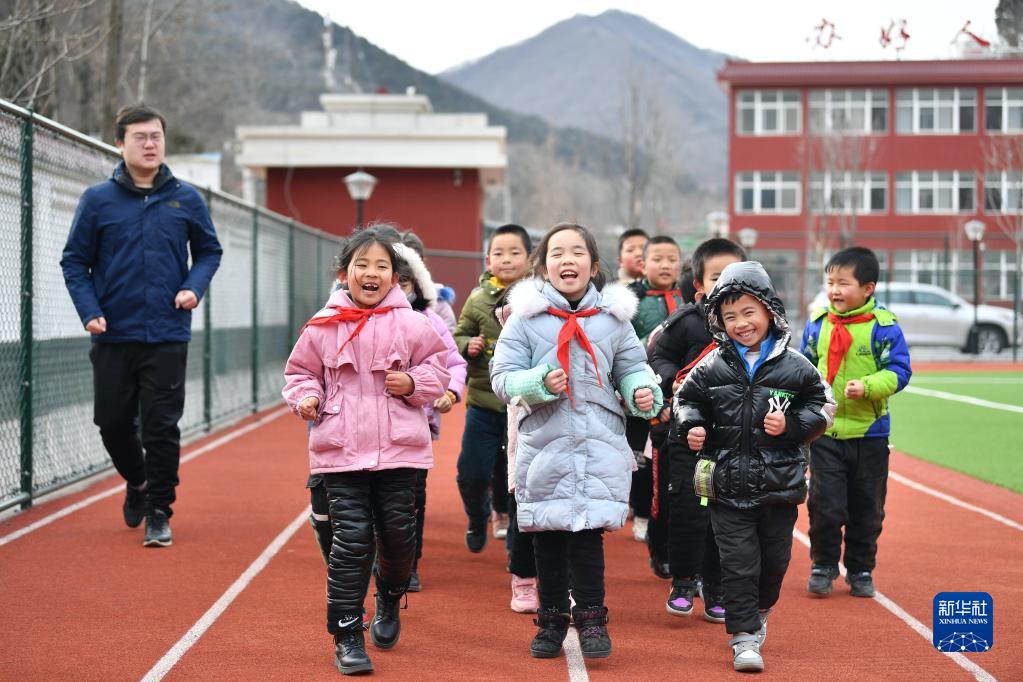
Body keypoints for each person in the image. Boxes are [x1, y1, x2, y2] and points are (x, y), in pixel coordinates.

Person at [283, 226, 450, 675]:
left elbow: (439, 370)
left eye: (381, 266)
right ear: (344, 273)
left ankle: (390, 597)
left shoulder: (414, 324)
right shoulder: (322, 325)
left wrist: (413, 383)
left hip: (399, 452)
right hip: (340, 452)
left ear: (395, 277)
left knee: (398, 540)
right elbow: (299, 373)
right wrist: (307, 397)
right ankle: (347, 635)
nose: (371, 273)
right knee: (352, 542)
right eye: (362, 264)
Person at [491, 222, 663, 660]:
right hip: (543, 443)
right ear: (543, 266)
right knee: (547, 537)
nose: (567, 260)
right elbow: (503, 378)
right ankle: (550, 620)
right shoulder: (525, 319)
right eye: (557, 253)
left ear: (594, 265)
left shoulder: (613, 320)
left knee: (588, 536)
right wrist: (537, 381)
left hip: (597, 441)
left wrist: (641, 391)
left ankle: (591, 618)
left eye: (577, 252)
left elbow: (632, 367)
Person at [60, 104, 222, 548]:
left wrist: (193, 287)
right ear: (120, 144)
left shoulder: (187, 199)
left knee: (161, 427)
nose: (150, 145)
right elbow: (74, 261)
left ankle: (159, 511)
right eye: (140, 137)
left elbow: (209, 251)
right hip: (112, 331)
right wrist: (89, 310)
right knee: (112, 422)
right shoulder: (98, 200)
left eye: (156, 137)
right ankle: (139, 481)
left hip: (167, 332)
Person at [674, 260, 834, 673]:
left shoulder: (796, 365)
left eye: (749, 312)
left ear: (769, 311)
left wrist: (792, 426)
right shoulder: (711, 365)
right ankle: (743, 636)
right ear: (718, 321)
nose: (741, 324)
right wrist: (692, 425)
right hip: (726, 486)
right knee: (738, 563)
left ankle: (759, 612)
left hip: (779, 488)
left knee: (774, 563)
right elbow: (685, 400)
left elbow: (823, 406)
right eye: (730, 317)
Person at [800, 247, 912, 598]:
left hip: (870, 435)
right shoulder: (818, 324)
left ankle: (861, 568)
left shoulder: (884, 328)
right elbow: (802, 367)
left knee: (867, 508)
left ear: (867, 288)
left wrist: (869, 386)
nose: (834, 290)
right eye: (830, 282)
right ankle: (823, 564)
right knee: (825, 504)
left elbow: (900, 370)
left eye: (843, 283)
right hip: (827, 433)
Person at [650, 237, 745, 621]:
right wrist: (672, 379)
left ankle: (716, 585)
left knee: (726, 516)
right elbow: (658, 357)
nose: (727, 284)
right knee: (689, 511)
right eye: (717, 276)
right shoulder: (688, 322)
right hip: (687, 435)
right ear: (699, 285)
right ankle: (683, 580)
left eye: (735, 275)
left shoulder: (756, 323)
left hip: (734, 440)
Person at [393, 242, 468, 592]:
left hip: (415, 425)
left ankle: (409, 565)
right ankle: (379, 558)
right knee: (374, 502)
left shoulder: (428, 320)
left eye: (405, 283)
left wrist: (450, 392)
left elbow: (453, 361)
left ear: (417, 285)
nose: (397, 290)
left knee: (411, 499)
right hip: (367, 429)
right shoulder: (357, 319)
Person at [454, 223, 532, 552]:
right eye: (499, 253)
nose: (507, 259)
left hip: (525, 405)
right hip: (483, 403)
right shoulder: (477, 299)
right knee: (471, 472)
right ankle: (478, 515)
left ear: (530, 259)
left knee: (516, 476)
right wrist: (466, 344)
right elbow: (457, 335)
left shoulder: (539, 299)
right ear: (488, 260)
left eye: (515, 252)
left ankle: (516, 542)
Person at [624, 236, 684, 574]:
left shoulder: (687, 299)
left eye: (671, 259)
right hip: (641, 395)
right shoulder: (633, 300)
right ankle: (642, 512)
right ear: (643, 264)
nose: (665, 265)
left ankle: (663, 530)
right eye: (657, 259)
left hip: (676, 396)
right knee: (641, 462)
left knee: (669, 464)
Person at [492, 287, 539, 614]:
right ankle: (523, 579)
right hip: (524, 439)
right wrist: (543, 382)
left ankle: (565, 583)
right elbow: (505, 382)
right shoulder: (513, 331)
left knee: (565, 520)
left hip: (568, 439)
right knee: (524, 513)